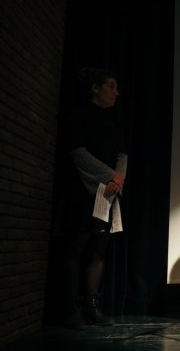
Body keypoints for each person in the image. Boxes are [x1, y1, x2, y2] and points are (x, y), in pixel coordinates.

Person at [52, 68, 127, 329]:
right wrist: (110, 177)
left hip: (107, 193)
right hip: (84, 189)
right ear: (95, 88)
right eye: (111, 86)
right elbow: (78, 152)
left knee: (99, 249)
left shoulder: (115, 119)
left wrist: (118, 180)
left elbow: (122, 155)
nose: (116, 91)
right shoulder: (79, 115)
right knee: (77, 246)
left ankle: (91, 305)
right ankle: (70, 307)